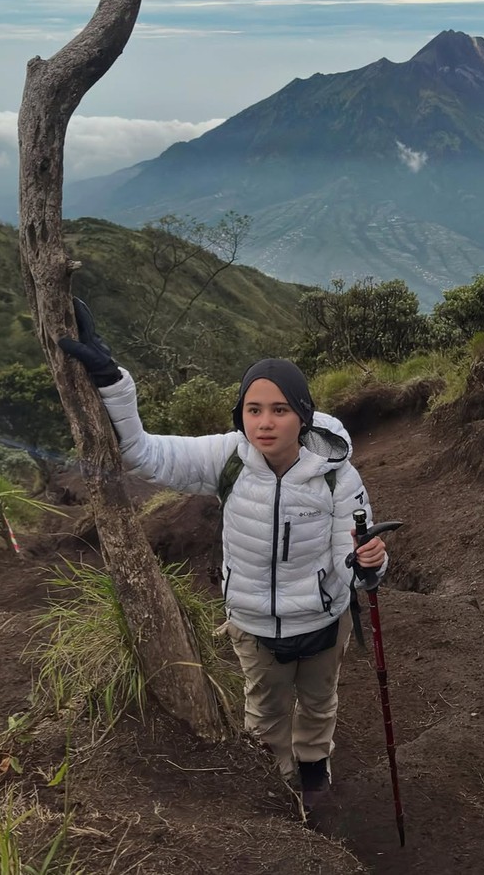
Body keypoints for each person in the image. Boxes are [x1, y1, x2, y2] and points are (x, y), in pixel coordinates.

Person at [59, 299, 388, 811]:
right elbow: (142, 452)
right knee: (264, 712)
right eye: (253, 410)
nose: (265, 422)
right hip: (254, 622)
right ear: (241, 414)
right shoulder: (227, 458)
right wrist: (112, 383)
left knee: (320, 702)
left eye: (280, 410)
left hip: (324, 617)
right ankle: (278, 786)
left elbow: (361, 559)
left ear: (302, 415)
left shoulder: (335, 473)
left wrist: (371, 565)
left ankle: (314, 767)